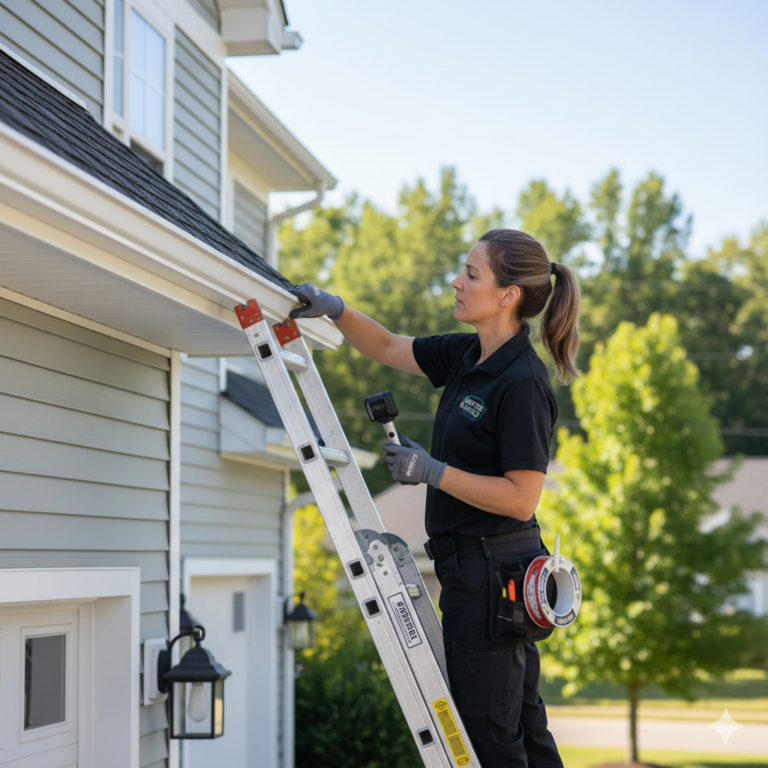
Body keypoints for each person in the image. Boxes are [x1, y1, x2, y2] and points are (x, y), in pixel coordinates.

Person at [289, 229, 581, 768]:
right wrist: (336, 309)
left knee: (492, 738)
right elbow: (387, 346)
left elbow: (522, 498)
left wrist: (435, 471)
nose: (457, 281)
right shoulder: (468, 354)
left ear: (507, 295)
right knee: (521, 729)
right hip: (483, 570)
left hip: (493, 574)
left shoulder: (521, 382)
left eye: (472, 274)